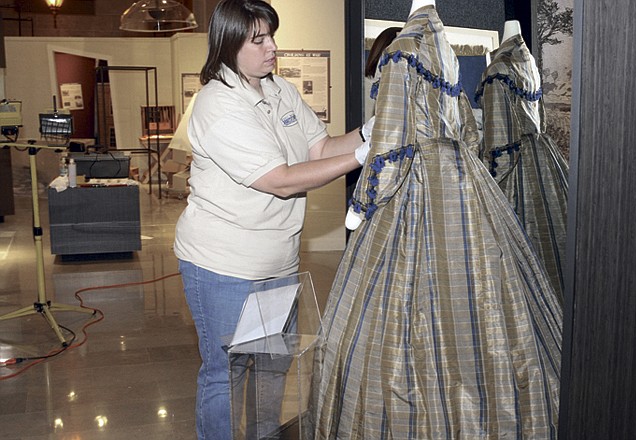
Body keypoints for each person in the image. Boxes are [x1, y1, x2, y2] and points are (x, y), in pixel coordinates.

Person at [311, 1, 562, 438]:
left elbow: (389, 144)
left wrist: (363, 204)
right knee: (480, 292)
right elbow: (467, 127)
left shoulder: (404, 47)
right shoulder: (447, 48)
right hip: (460, 175)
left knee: (404, 305)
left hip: (418, 180)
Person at [173, 1, 372, 438]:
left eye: (272, 36)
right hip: (224, 266)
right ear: (228, 45)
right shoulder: (217, 105)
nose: (272, 48)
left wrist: (371, 133)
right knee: (227, 373)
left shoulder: (279, 90)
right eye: (258, 40)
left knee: (271, 367)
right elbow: (280, 180)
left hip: (278, 264)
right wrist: (360, 158)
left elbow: (319, 151)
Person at [475, 20, 569, 299]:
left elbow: (500, 143)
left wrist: (488, 186)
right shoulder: (529, 64)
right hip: (543, 154)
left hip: (517, 163)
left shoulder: (498, 69)